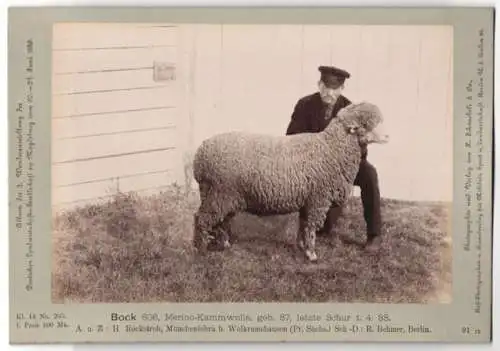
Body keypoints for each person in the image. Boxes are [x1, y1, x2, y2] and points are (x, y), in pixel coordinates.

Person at [286, 65, 383, 249]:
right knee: (324, 227)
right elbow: (291, 138)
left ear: (341, 89)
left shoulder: (350, 109)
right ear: (319, 84)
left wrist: (364, 142)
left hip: (342, 168)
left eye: (334, 89)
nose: (329, 93)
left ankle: (374, 234)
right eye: (325, 87)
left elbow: (359, 153)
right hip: (311, 168)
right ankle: (310, 222)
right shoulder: (304, 105)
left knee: (369, 174)